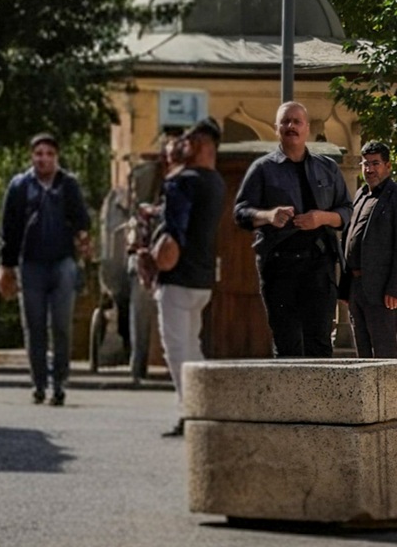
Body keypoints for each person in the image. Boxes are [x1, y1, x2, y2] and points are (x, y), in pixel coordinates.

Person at [234, 101, 352, 358]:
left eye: (296, 121)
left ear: (307, 128)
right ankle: (288, 399)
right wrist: (268, 215)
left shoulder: (327, 168)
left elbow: (347, 211)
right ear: (276, 129)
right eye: (285, 122)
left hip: (319, 267)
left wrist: (322, 218)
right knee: (287, 343)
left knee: (320, 343)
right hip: (279, 267)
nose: (291, 126)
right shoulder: (262, 169)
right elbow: (241, 213)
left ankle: (320, 399)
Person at [0, 131, 93, 407]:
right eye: (39, 153)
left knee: (61, 325)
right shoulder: (20, 186)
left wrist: (84, 239)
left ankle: (59, 384)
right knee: (34, 326)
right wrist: (6, 266)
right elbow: (9, 229)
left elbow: (82, 220)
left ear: (56, 157)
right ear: (32, 156)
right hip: (31, 265)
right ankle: (39, 384)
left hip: (63, 264)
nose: (44, 159)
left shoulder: (68, 184)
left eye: (49, 154)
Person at [149, 117, 225, 435]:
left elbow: (176, 233)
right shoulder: (217, 183)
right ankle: (202, 408)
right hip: (203, 278)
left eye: (187, 140)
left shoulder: (181, 181)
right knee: (192, 347)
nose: (182, 145)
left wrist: (156, 255)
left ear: (199, 144)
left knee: (177, 349)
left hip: (177, 278)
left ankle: (190, 413)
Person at [342, 140, 397, 359]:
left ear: (388, 166)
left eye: (375, 163)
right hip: (357, 287)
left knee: (385, 354)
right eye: (366, 164)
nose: (369, 169)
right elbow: (349, 240)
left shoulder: (395, 197)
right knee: (363, 355)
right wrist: (345, 287)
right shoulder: (361, 195)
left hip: (382, 290)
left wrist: (394, 288)